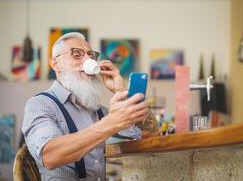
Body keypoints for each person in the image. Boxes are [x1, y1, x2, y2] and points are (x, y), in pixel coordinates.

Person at [22, 32, 159, 181]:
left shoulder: (99, 111)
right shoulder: (40, 105)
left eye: (91, 55)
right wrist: (111, 123)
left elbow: (151, 134)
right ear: (55, 64)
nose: (88, 59)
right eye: (77, 54)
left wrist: (121, 90)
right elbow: (50, 156)